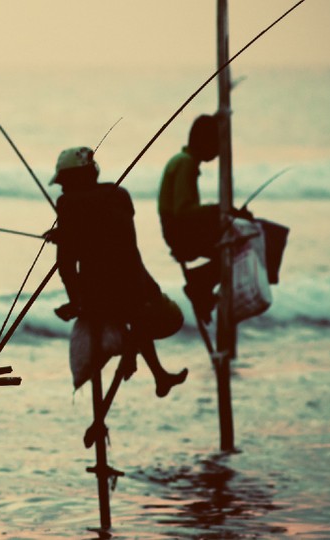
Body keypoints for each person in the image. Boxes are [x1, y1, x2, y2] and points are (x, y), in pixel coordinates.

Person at [48, 146, 188, 397]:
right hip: (137, 288)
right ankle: (155, 372)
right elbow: (115, 242)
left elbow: (66, 265)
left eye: (64, 182)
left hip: (99, 298)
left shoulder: (68, 204)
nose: (61, 188)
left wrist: (76, 301)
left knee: (133, 317)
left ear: (72, 179)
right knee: (139, 317)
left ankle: (141, 365)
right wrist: (68, 233)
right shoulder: (119, 195)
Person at [158, 114, 227, 323]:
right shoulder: (185, 164)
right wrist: (219, 210)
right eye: (216, 144)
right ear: (205, 142)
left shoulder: (183, 161)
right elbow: (183, 211)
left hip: (178, 232)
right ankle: (199, 285)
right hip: (182, 234)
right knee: (238, 246)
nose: (218, 150)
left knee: (234, 242)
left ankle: (201, 289)